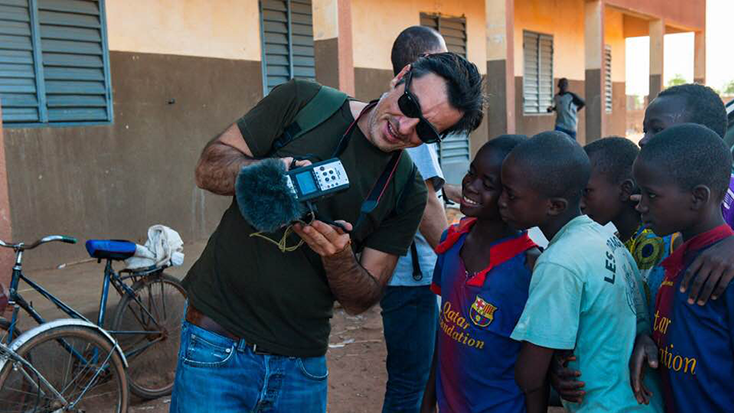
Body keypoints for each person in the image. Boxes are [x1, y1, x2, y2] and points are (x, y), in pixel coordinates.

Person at [169, 52, 485, 413]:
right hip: (216, 342)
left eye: (426, 131)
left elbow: (361, 298)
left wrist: (339, 258)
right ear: (401, 76)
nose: (406, 127)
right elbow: (207, 169)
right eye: (409, 104)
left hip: (302, 366)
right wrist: (271, 174)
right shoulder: (303, 101)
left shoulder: (408, 191)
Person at [499, 131, 654, 413]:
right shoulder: (606, 238)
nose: (501, 201)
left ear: (554, 205)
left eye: (511, 194)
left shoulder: (558, 263)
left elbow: (529, 376)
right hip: (636, 401)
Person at [420, 135, 540, 413]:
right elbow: (445, 328)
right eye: (471, 173)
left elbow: (537, 366)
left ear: (512, 195)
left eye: (487, 184)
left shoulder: (531, 267)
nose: (470, 186)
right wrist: (428, 400)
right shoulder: (452, 243)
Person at [630, 123, 734, 412]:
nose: (641, 206)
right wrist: (647, 341)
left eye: (652, 195)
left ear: (698, 197)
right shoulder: (680, 257)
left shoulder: (725, 271)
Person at [379, 26, 449, 413]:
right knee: (411, 382)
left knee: (418, 377)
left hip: (403, 275)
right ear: (417, 67)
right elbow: (425, 205)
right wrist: (459, 255)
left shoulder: (390, 115)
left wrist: (449, 190)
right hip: (413, 279)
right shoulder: (413, 122)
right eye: (442, 61)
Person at [637, 83, 734, 306]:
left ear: (699, 136)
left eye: (657, 130)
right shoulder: (646, 188)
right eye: (645, 130)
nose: (643, 139)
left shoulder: (728, 194)